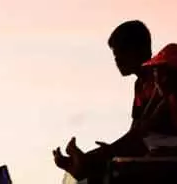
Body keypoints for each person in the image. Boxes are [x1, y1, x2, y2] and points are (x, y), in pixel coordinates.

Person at [52, 20, 158, 181]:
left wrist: (105, 153)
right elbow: (134, 130)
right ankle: (81, 162)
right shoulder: (140, 84)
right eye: (115, 55)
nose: (117, 60)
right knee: (104, 162)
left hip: (160, 149)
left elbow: (143, 132)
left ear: (139, 50)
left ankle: (84, 163)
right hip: (144, 145)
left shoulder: (159, 79)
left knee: (107, 162)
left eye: (121, 53)